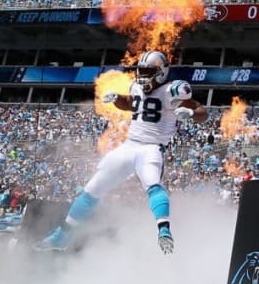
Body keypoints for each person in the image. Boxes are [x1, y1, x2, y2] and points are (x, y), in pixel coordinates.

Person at [34, 51, 208, 254]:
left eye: (148, 71)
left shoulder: (173, 90)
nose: (142, 75)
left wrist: (191, 112)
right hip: (129, 145)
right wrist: (117, 99)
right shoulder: (136, 87)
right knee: (92, 188)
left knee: (153, 185)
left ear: (161, 72)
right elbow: (131, 102)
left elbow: (202, 113)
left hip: (151, 148)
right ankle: (62, 236)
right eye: (141, 71)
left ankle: (164, 231)